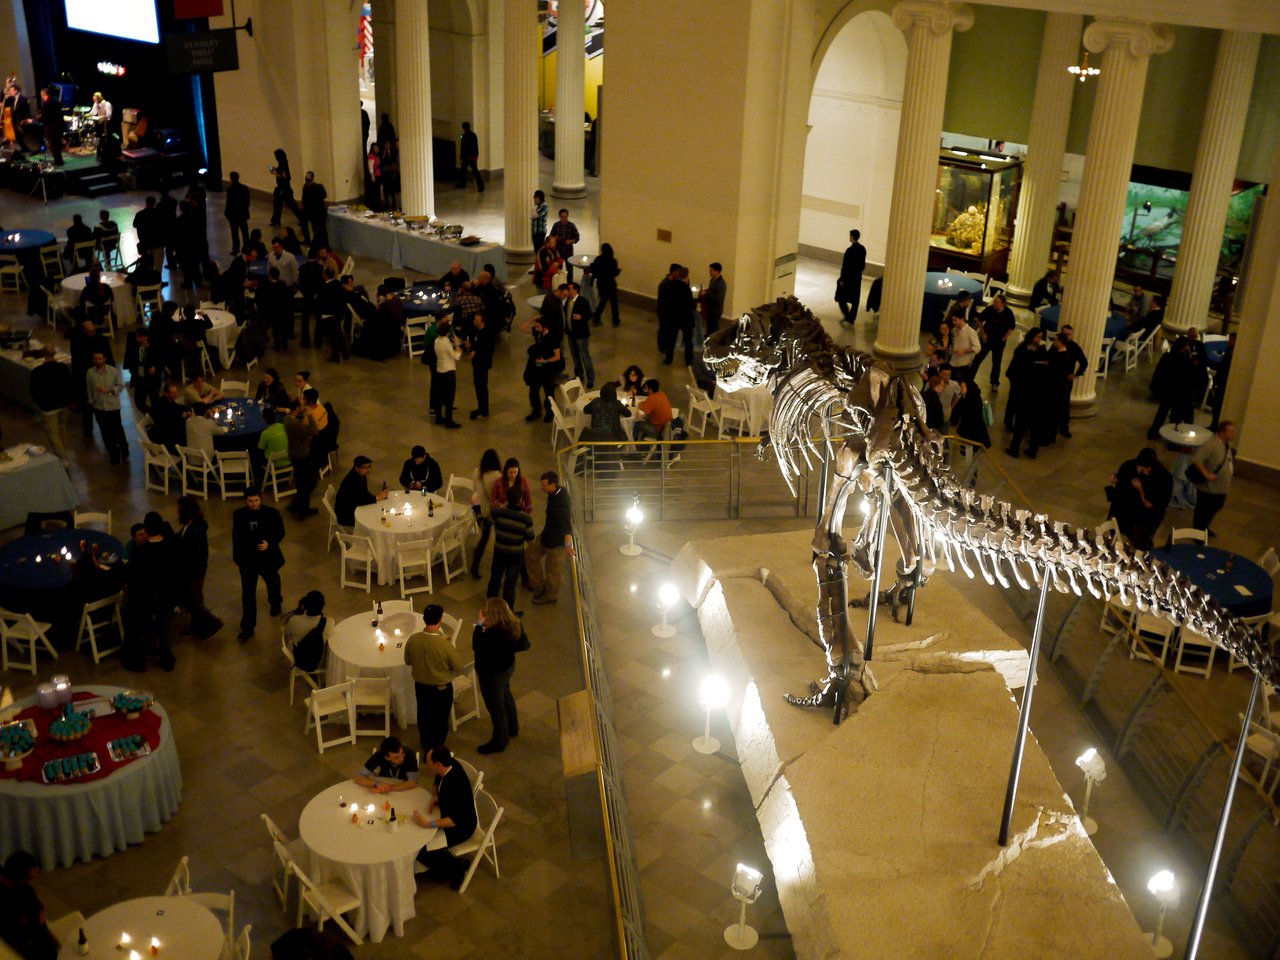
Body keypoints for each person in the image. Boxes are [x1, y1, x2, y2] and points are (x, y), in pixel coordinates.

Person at [410, 746, 478, 890]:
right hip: (448, 815)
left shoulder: (455, 784)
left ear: (438, 764)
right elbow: (437, 778)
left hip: (461, 827)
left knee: (422, 850)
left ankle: (457, 867)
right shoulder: (448, 763)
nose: (426, 765)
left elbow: (454, 820)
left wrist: (429, 824)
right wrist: (435, 794)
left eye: (428, 762)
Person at [404, 604, 468, 752]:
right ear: (440, 621)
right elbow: (459, 667)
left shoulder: (413, 639)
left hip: (421, 686)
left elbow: (408, 661)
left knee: (424, 715)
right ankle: (437, 748)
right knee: (440, 720)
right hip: (441, 689)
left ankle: (426, 745)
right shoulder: (445, 645)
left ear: (424, 619)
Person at [121, 512, 180, 672]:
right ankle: (167, 658)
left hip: (146, 597)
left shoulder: (141, 552)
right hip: (167, 595)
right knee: (166, 627)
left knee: (143, 628)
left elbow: (132, 576)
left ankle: (140, 662)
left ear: (146, 529)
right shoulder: (170, 546)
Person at [472, 598, 529, 754]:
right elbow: (525, 644)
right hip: (507, 668)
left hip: (491, 674)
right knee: (506, 694)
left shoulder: (491, 634)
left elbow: (476, 646)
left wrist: (479, 624)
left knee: (496, 707)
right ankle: (513, 727)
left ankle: (500, 741)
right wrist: (508, 649)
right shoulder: (515, 624)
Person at [231, 489, 286, 641]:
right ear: (245, 501)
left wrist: (270, 542)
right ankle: (247, 627)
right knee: (248, 594)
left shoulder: (272, 513)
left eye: (256, 500)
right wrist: (236, 557)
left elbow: (281, 532)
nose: (254, 504)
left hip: (268, 558)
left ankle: (275, 602)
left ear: (260, 499)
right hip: (248, 561)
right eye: (250, 501)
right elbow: (236, 536)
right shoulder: (239, 514)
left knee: (273, 583)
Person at [176, 495, 222, 639]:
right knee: (196, 599)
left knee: (191, 602)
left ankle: (213, 623)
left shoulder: (196, 530)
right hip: (194, 571)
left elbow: (194, 554)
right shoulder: (190, 524)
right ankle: (196, 627)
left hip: (194, 573)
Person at [1108, 448, 1172, 551]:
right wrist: (1114, 482)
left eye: (1143, 470)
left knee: (1142, 545)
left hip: (1145, 519)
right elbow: (1119, 488)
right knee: (1126, 534)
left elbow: (1149, 504)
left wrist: (1140, 488)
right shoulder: (1129, 465)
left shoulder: (1164, 478)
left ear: (1150, 467)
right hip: (1126, 512)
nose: (1140, 472)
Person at [0, 851, 59, 960]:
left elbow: (39, 913)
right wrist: (39, 921)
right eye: (29, 878)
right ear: (17, 877)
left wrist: (49, 934)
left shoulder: (21, 887)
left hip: (37, 934)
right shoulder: (12, 900)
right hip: (31, 946)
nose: (31, 881)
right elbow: (21, 934)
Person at [525, 471, 573, 605]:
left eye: (544, 485)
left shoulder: (561, 504)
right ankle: (539, 583)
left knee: (553, 571)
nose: (541, 487)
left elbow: (566, 526)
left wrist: (568, 546)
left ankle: (551, 596)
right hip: (546, 535)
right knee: (530, 554)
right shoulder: (554, 493)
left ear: (553, 485)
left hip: (556, 544)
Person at [1004, 328, 1048, 458]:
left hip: (1035, 392)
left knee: (1032, 424)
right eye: (1037, 337)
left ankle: (1031, 449)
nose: (1038, 340)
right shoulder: (1022, 349)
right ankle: (1015, 448)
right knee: (1021, 423)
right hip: (1023, 390)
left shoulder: (1041, 350)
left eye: (1040, 337)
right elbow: (1015, 369)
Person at [489, 486, 535, 608]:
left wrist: (476, 508)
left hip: (499, 551)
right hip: (515, 555)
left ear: (507, 498)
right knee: (510, 584)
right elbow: (530, 540)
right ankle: (508, 611)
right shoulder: (526, 519)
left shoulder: (497, 512)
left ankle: (490, 606)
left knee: (495, 577)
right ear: (521, 500)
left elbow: (485, 524)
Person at [1146, 336, 1198, 440]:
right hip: (1177, 392)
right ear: (1184, 347)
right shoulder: (1182, 360)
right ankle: (1173, 438)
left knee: (1162, 412)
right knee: (1176, 415)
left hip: (1166, 389)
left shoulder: (1169, 355)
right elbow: (1185, 376)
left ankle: (1153, 432)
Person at [1189, 420, 1236, 534]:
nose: (1234, 434)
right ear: (1222, 432)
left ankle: (1204, 527)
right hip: (1208, 488)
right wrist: (1206, 474)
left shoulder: (1227, 445)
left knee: (1215, 507)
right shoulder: (1210, 445)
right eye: (1231, 431)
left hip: (1220, 487)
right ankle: (1198, 532)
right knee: (1203, 510)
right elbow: (1197, 460)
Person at [29, 347, 72, 462]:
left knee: (52, 433)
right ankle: (62, 450)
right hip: (63, 404)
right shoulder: (63, 368)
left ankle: (62, 456)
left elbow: (34, 391)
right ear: (55, 354)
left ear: (44, 354)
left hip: (48, 407)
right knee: (62, 428)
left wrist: (40, 402)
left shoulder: (37, 371)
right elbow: (69, 385)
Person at [85, 351, 128, 464]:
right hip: (99, 407)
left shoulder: (113, 371)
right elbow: (89, 388)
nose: (97, 361)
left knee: (117, 429)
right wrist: (91, 402)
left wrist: (109, 390)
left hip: (112, 406)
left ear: (104, 359)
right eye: (95, 359)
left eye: (99, 358)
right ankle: (113, 454)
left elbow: (120, 386)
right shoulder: (90, 372)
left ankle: (124, 449)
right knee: (105, 432)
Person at [468, 448, 503, 579]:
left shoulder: (477, 472)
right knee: (495, 538)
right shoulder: (497, 476)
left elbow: (474, 489)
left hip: (479, 510)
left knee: (484, 538)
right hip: (491, 513)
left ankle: (475, 566)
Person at [971, 292, 1016, 391]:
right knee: (978, 359)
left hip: (999, 342)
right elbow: (979, 320)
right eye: (994, 301)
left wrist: (1003, 338)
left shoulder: (1008, 313)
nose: (994, 303)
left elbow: (1011, 327)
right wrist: (983, 334)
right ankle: (970, 378)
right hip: (986, 339)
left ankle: (994, 382)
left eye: (996, 302)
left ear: (1002, 304)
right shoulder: (989, 310)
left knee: (996, 362)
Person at [523, 316, 563, 423]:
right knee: (533, 390)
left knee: (549, 393)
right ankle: (536, 411)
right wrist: (534, 318)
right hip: (537, 368)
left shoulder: (552, 337)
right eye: (535, 327)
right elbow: (523, 328)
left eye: (537, 327)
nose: (535, 329)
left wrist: (545, 361)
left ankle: (550, 412)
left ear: (544, 327)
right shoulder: (538, 333)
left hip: (548, 369)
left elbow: (557, 356)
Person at [284, 405, 319, 517]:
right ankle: (302, 510)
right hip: (302, 456)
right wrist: (309, 414)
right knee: (310, 483)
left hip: (294, 454)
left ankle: (295, 505)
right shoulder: (296, 425)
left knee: (301, 482)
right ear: (297, 408)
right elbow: (314, 430)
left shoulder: (287, 419)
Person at [282, 589, 329, 672]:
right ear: (322, 606)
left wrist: (297, 613)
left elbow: (284, 631)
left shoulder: (294, 621)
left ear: (305, 605)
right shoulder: (329, 622)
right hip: (324, 660)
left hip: (302, 660)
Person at [354, 736, 420, 793]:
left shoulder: (409, 754)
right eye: (396, 757)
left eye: (402, 754)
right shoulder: (379, 755)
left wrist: (388, 788)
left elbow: (412, 783)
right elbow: (358, 778)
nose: (402, 759)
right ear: (387, 757)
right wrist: (377, 783)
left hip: (404, 788)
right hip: (383, 781)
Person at [336, 455, 388, 527]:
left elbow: (364, 492)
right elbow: (358, 500)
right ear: (357, 468)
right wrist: (376, 497)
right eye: (364, 467)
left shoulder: (361, 474)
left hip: (353, 506)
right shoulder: (352, 481)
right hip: (346, 514)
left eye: (369, 467)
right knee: (374, 520)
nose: (368, 470)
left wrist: (376, 498)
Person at [1057, 324, 1089, 438]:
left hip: (1065, 380)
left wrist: (1075, 375)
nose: (1067, 337)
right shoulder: (1057, 344)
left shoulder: (1074, 347)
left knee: (1064, 404)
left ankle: (1064, 427)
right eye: (1065, 334)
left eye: (1069, 335)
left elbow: (1084, 362)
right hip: (1055, 378)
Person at [270, 148, 308, 238]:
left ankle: (302, 218)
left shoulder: (283, 165)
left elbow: (285, 177)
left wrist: (275, 173)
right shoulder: (283, 163)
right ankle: (276, 220)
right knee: (278, 204)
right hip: (282, 188)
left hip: (284, 189)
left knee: (291, 205)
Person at [465, 309, 496, 420]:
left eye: (476, 320)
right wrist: (470, 348)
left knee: (481, 386)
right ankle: (482, 408)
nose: (474, 321)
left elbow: (487, 350)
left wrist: (475, 352)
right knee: (480, 386)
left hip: (482, 364)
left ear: (482, 322)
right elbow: (475, 345)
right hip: (478, 363)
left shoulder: (486, 334)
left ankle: (483, 409)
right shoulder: (477, 331)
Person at [565, 282, 596, 388]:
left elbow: (589, 314)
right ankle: (579, 375)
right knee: (575, 356)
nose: (567, 291)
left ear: (576, 290)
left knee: (584, 356)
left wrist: (581, 317)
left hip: (581, 334)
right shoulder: (567, 301)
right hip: (571, 333)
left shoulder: (583, 301)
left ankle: (590, 378)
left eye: (569, 289)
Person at [433, 321, 463, 428]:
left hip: (439, 370)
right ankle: (448, 420)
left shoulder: (436, 341)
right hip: (449, 372)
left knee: (440, 396)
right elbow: (456, 356)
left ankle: (439, 417)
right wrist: (457, 345)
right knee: (449, 397)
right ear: (448, 332)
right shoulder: (446, 343)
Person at [835, 229, 866, 321]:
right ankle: (852, 317)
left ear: (852, 237)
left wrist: (842, 279)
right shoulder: (862, 249)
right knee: (855, 299)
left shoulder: (849, 251)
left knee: (841, 297)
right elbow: (862, 265)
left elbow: (845, 266)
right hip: (856, 278)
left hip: (848, 278)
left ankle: (847, 314)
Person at [950, 379, 990, 449]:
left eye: (962, 387)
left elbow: (969, 418)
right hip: (970, 431)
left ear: (969, 388)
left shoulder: (971, 401)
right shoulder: (968, 396)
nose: (960, 389)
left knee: (970, 450)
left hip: (973, 433)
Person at [589, 243, 621, 326]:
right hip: (611, 284)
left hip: (601, 284)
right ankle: (615, 320)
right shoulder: (613, 261)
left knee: (602, 302)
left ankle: (596, 318)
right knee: (614, 303)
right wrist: (618, 271)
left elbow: (594, 269)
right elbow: (614, 273)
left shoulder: (598, 259)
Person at [32, 87, 62, 165]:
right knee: (57, 144)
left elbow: (45, 117)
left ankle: (58, 161)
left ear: (43, 95)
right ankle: (59, 159)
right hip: (58, 126)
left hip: (50, 127)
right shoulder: (56, 101)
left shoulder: (47, 104)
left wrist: (36, 119)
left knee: (53, 145)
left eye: (41, 96)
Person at [550, 209, 581, 281]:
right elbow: (551, 237)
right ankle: (557, 283)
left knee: (570, 269)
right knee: (557, 269)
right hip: (558, 251)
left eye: (565, 216)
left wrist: (571, 241)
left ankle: (570, 284)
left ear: (567, 216)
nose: (564, 218)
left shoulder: (571, 226)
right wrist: (555, 238)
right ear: (559, 217)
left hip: (568, 251)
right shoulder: (556, 225)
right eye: (562, 217)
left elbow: (577, 237)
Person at [224, 170, 250, 255]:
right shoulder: (244, 188)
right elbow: (247, 201)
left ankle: (236, 249)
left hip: (233, 216)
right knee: (245, 232)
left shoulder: (230, 189)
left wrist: (227, 213)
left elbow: (229, 203)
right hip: (242, 214)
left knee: (234, 233)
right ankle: (246, 247)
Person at [301, 171, 328, 249]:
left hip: (317, 211)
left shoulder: (318, 187)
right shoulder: (305, 186)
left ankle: (322, 244)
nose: (307, 177)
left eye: (308, 176)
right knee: (307, 224)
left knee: (319, 228)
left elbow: (324, 196)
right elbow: (304, 198)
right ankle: (308, 240)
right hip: (310, 211)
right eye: (306, 176)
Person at [948, 312, 980, 379]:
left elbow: (977, 347)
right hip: (953, 361)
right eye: (953, 320)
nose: (953, 322)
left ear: (962, 319)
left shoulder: (970, 331)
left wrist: (964, 350)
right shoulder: (954, 330)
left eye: (955, 320)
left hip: (962, 365)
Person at [455, 121, 484, 191]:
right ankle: (481, 186)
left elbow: (463, 148)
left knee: (463, 171)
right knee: (475, 172)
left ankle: (462, 184)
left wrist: (462, 156)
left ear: (463, 128)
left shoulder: (464, 136)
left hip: (467, 157)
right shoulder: (474, 135)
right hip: (473, 156)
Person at [702, 262, 727, 337]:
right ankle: (708, 337)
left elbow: (718, 298)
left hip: (715, 310)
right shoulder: (712, 280)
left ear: (717, 271)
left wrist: (706, 294)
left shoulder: (721, 284)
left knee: (714, 327)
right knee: (709, 326)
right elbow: (711, 291)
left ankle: (713, 341)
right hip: (710, 308)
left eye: (711, 271)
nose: (710, 272)